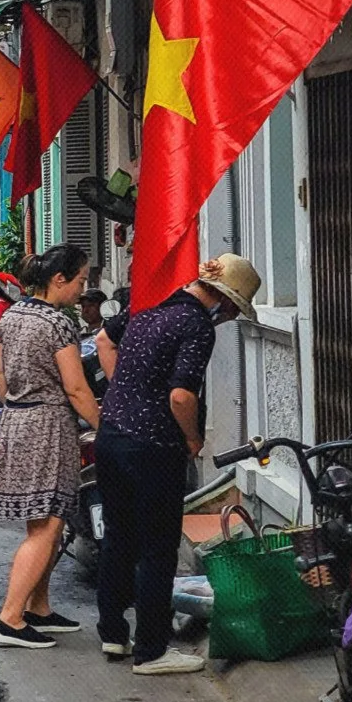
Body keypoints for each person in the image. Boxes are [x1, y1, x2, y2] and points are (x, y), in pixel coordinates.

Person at [94, 253, 261, 676]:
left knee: (117, 539)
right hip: (154, 447)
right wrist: (192, 436)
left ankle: (113, 634)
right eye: (231, 312)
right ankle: (151, 650)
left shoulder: (149, 302)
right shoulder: (196, 325)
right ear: (223, 303)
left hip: (111, 436)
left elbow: (102, 341)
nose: (225, 320)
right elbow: (181, 396)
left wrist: (126, 393)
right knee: (157, 548)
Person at [0, 243, 100, 649]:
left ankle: (39, 607)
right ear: (59, 280)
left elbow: (0, 375)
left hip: (17, 420)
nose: (82, 291)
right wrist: (105, 425)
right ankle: (9, 618)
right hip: (48, 424)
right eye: (81, 281)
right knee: (47, 524)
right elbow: (76, 387)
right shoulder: (58, 323)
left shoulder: (12, 314)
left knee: (44, 521)